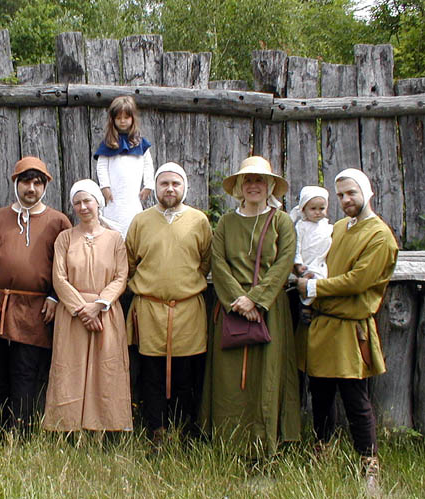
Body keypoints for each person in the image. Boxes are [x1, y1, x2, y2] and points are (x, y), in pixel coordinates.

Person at [297, 168, 398, 488]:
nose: (345, 200)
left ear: (367, 192)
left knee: (356, 401)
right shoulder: (339, 227)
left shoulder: (380, 236)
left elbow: (359, 281)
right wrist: (309, 274)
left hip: (350, 331)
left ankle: (369, 467)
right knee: (321, 396)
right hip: (323, 326)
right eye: (340, 195)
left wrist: (313, 289)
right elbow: (324, 265)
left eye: (351, 193)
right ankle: (321, 452)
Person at [199, 156, 300, 457]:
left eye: (259, 180)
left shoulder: (281, 221)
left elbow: (284, 263)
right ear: (240, 187)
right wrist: (238, 301)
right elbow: (217, 264)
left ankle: (264, 445)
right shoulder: (227, 223)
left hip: (269, 310)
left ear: (270, 186)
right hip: (231, 310)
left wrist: (255, 299)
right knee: (229, 380)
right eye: (248, 180)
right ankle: (228, 444)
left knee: (266, 379)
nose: (253, 185)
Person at [0, 157, 71, 430]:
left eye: (37, 182)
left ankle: (20, 430)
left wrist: (54, 296)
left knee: (25, 371)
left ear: (45, 186)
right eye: (26, 181)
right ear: (16, 183)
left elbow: (67, 264)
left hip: (34, 309)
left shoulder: (58, 221)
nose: (31, 188)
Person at [125, 162, 212, 442]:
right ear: (156, 188)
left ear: (185, 186)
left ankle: (186, 430)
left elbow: (205, 262)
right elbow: (128, 262)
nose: (170, 189)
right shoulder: (141, 221)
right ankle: (156, 431)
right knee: (151, 373)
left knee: (188, 373)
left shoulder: (199, 220)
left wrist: (180, 286)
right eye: (164, 183)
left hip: (187, 310)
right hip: (149, 310)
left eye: (176, 183)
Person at [43, 180, 131, 432]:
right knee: (70, 368)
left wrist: (99, 305)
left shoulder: (115, 239)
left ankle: (104, 425)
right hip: (73, 314)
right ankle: (67, 426)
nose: (82, 207)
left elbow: (121, 277)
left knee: (106, 369)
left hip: (106, 313)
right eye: (77, 202)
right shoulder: (65, 238)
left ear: (98, 203)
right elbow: (59, 278)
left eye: (87, 201)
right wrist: (82, 309)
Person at [94, 95, 154, 239]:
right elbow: (101, 166)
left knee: (133, 224)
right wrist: (105, 187)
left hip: (133, 196)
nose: (122, 121)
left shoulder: (140, 143)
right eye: (118, 118)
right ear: (112, 119)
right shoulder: (108, 144)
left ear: (132, 118)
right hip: (114, 196)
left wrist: (149, 185)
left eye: (126, 117)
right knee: (113, 224)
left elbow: (148, 164)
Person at [289, 186, 333, 322]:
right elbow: (297, 246)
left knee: (321, 281)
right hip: (306, 262)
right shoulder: (301, 226)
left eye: (322, 208)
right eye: (313, 209)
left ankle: (315, 307)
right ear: (304, 209)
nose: (318, 213)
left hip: (320, 261)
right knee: (307, 280)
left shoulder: (328, 226)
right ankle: (304, 305)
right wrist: (298, 262)